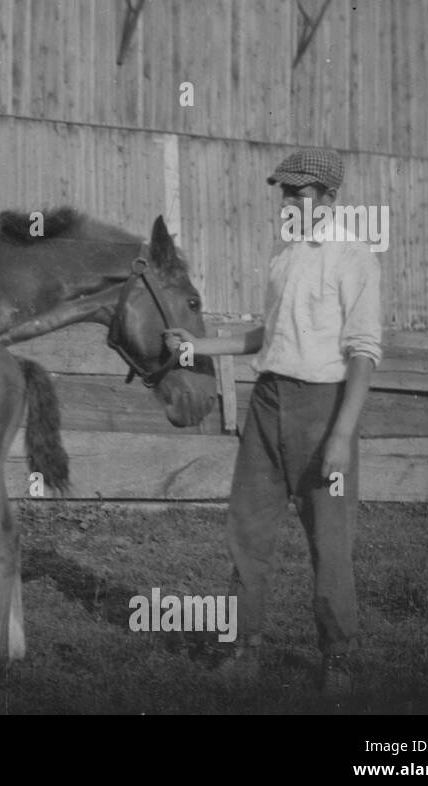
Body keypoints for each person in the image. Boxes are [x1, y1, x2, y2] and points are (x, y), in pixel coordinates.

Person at [163, 147, 382, 700]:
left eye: (300, 192)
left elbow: (363, 353)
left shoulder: (354, 257)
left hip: (323, 407)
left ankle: (340, 660)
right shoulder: (283, 258)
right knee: (248, 530)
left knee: (329, 541)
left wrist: (340, 435)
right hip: (267, 402)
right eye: (284, 191)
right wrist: (199, 346)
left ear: (329, 199)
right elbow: (267, 335)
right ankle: (244, 650)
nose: (289, 201)